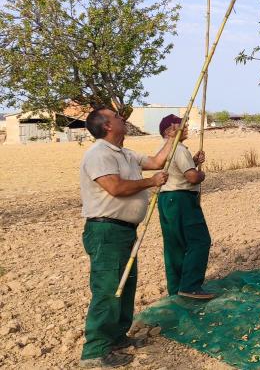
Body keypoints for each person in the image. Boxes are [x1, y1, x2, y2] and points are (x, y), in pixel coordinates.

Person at [79, 107, 172, 368]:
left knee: (125, 286)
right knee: (108, 289)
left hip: (124, 231)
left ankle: (117, 338)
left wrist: (171, 140)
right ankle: (95, 352)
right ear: (107, 126)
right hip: (106, 231)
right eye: (118, 117)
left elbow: (156, 162)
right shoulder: (99, 154)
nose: (123, 119)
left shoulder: (125, 153)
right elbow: (115, 187)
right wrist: (150, 182)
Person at [156, 114, 214, 300]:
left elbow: (176, 170)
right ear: (169, 130)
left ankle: (177, 288)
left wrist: (194, 162)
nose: (186, 127)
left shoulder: (165, 150)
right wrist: (201, 174)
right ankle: (190, 286)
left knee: (175, 245)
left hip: (167, 199)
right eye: (181, 125)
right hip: (181, 200)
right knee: (199, 241)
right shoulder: (179, 149)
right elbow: (191, 177)